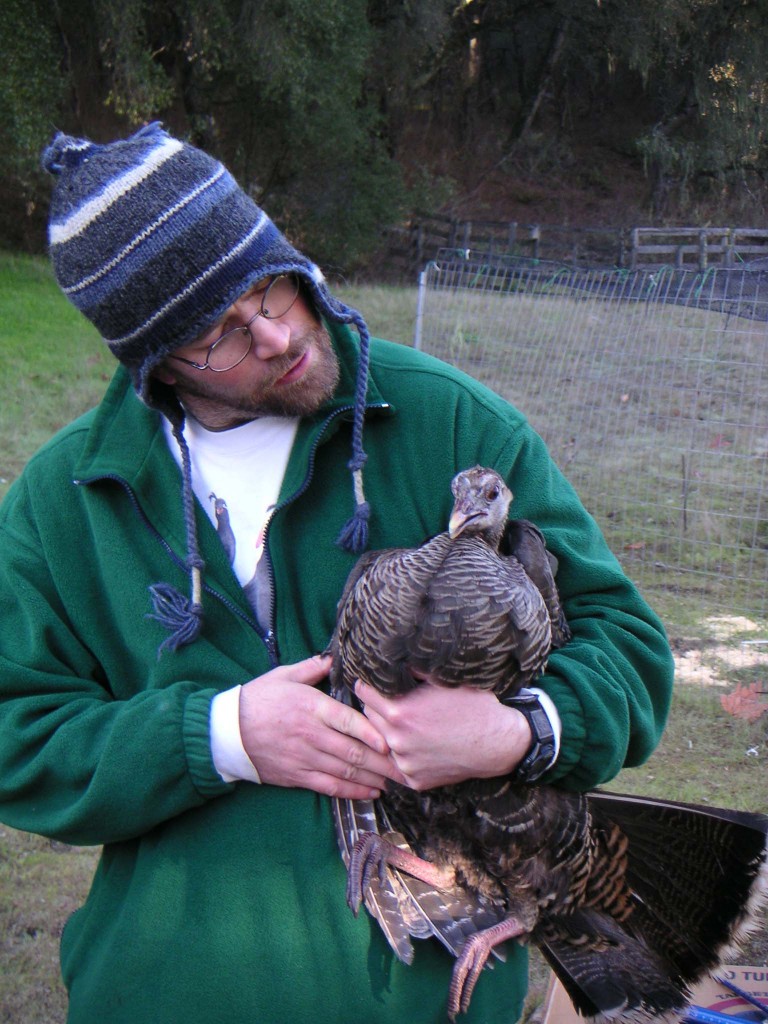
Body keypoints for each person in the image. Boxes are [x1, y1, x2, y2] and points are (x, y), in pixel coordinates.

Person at [0, 123, 674, 1024]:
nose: (278, 333)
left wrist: (514, 731)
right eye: (222, 335)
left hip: (427, 1002)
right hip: (163, 995)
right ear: (154, 363)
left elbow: (626, 647)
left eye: (274, 284)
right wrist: (220, 735)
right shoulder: (66, 498)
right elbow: (15, 733)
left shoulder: (448, 424)